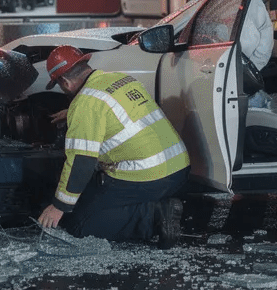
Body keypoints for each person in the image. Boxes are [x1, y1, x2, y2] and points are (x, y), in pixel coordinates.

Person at [36, 46, 189, 247]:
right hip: (179, 168)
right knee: (89, 199)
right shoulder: (119, 79)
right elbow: (111, 109)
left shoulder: (85, 105)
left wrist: (59, 206)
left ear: (64, 82)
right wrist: (74, 111)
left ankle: (154, 216)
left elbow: (81, 163)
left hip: (150, 175)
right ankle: (153, 205)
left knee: (80, 224)